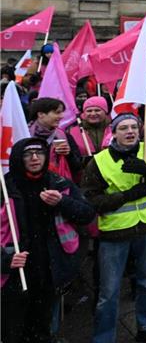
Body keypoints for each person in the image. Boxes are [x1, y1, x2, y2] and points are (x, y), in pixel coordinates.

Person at [82, 113, 146, 343]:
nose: (130, 131)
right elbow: (91, 199)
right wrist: (126, 196)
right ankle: (104, 338)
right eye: (123, 128)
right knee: (109, 291)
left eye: (134, 126)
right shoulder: (99, 161)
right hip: (115, 233)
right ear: (113, 132)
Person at [1, 137, 96, 343]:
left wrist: (63, 202)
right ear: (17, 158)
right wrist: (4, 259)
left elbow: (87, 214)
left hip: (49, 269)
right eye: (28, 154)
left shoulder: (58, 183)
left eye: (40, 153)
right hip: (15, 275)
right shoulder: (4, 188)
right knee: (12, 330)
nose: (35, 158)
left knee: (42, 326)